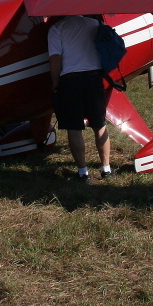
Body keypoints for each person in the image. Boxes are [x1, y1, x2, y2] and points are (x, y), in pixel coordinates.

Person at [48, 14, 113, 183]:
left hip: (70, 80)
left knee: (74, 127)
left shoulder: (56, 29)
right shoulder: (94, 24)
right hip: (93, 78)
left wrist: (55, 85)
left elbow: (55, 59)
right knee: (99, 124)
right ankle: (106, 169)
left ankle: (83, 173)